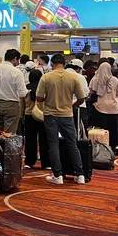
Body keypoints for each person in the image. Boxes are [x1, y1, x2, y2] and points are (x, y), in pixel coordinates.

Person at [36, 53, 87, 185]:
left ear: (52, 64)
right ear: (64, 64)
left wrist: (49, 98)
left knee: (53, 145)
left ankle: (58, 176)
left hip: (50, 115)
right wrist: (72, 105)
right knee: (72, 144)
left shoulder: (46, 77)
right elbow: (81, 98)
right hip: (67, 114)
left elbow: (39, 97)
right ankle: (80, 174)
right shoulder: (73, 77)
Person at [89, 61, 118, 154]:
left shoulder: (95, 79)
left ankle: (100, 146)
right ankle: (117, 145)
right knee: (115, 129)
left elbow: (91, 93)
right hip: (114, 108)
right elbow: (117, 93)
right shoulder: (115, 80)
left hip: (100, 107)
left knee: (100, 129)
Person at [0, 49, 27, 134]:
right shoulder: (17, 72)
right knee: (9, 134)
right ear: (15, 59)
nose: (18, 62)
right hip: (12, 104)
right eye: (18, 60)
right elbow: (22, 93)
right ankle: (6, 148)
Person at [23, 69, 49, 170]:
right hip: (43, 115)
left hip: (29, 115)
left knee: (30, 139)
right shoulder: (45, 88)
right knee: (44, 140)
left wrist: (22, 116)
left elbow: (22, 105)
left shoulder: (26, 89)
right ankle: (46, 163)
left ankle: (29, 162)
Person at [66, 59, 90, 130]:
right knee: (80, 129)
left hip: (62, 106)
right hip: (79, 106)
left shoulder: (59, 75)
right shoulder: (80, 77)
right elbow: (85, 93)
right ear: (79, 68)